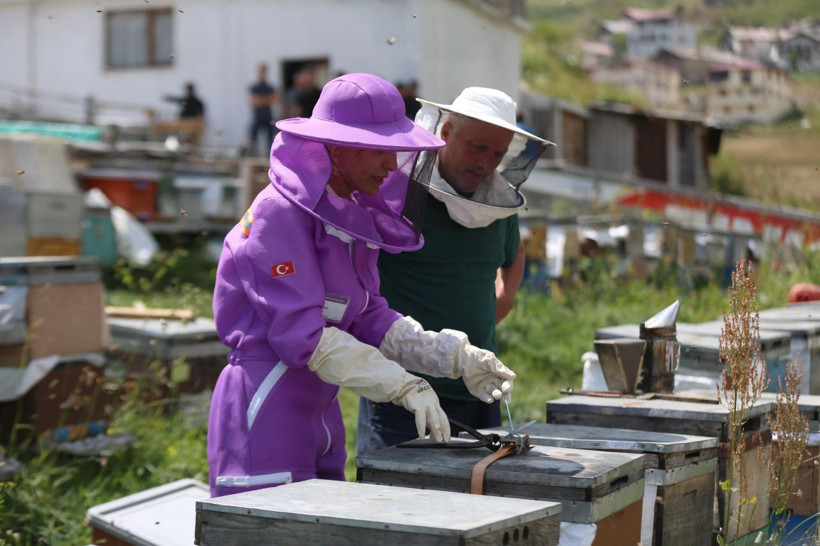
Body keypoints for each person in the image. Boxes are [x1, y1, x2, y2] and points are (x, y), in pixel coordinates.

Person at [207, 73, 516, 498]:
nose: (393, 166)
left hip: (321, 413)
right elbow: (302, 338)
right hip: (266, 410)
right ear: (339, 146)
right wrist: (400, 384)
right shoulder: (278, 216)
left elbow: (368, 317)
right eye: (381, 151)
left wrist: (454, 356)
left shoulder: (348, 216)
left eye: (397, 152)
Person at [357, 87, 553, 455]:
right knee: (395, 505)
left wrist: (506, 296)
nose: (486, 162)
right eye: (478, 147)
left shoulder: (496, 204)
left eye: (497, 153)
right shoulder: (397, 192)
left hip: (480, 389)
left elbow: (515, 252)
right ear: (445, 133)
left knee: (477, 506)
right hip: (401, 396)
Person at [248, 63, 277, 155]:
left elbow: (274, 100)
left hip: (268, 118)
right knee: (253, 142)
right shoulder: (255, 86)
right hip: (257, 118)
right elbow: (254, 103)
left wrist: (261, 100)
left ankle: (269, 160)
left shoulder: (269, 86)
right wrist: (267, 99)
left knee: (270, 143)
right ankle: (253, 157)